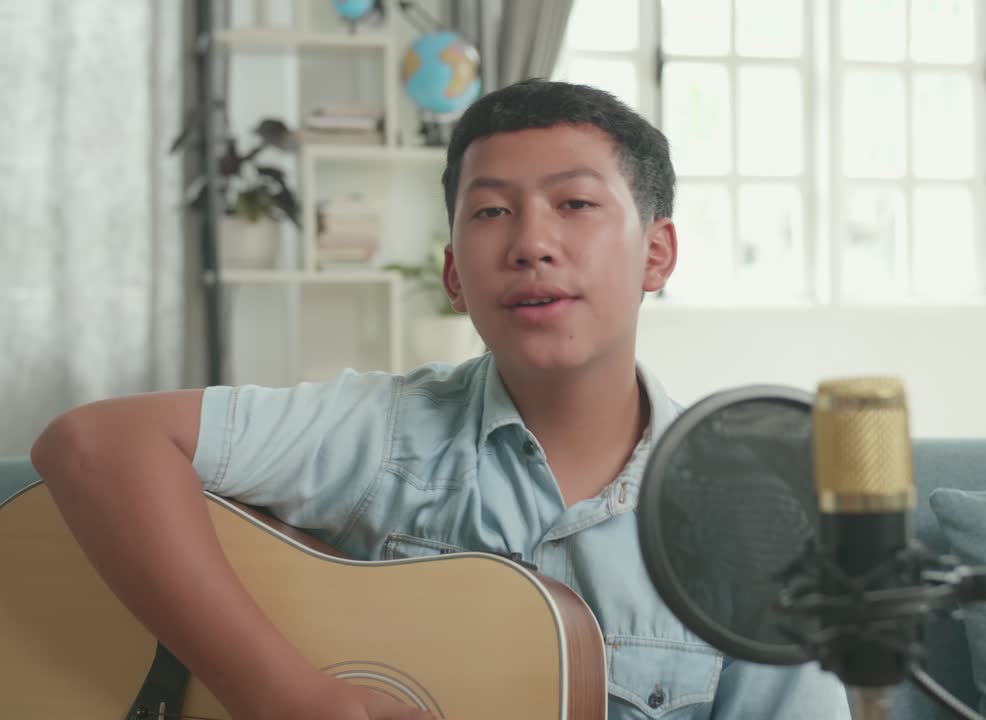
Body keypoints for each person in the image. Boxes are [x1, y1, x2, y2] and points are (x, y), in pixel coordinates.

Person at [32, 79, 851, 719]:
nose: (531, 243)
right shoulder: (381, 431)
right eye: (491, 212)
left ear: (657, 254)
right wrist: (278, 693)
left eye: (576, 204)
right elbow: (92, 444)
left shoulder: (750, 528)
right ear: (456, 274)